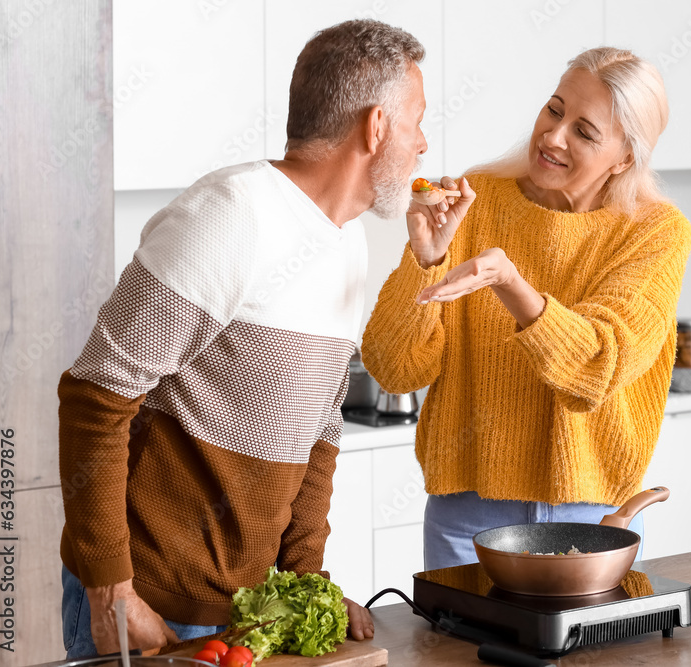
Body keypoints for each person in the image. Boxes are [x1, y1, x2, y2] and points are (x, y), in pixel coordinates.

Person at [58, 19, 427, 657]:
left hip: (254, 615)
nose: (423, 144)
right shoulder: (231, 217)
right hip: (153, 607)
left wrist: (306, 581)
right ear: (376, 127)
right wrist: (112, 589)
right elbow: (95, 397)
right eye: (417, 120)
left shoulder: (347, 241)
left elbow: (320, 434)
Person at [361, 47, 691, 570]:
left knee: (592, 655)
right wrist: (426, 261)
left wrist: (510, 283)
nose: (554, 136)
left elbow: (596, 367)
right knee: (461, 653)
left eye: (585, 132)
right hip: (467, 517)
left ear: (625, 157)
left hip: (594, 520)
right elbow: (396, 367)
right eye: (554, 110)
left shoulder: (654, 232)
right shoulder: (478, 200)